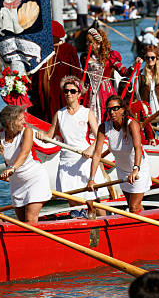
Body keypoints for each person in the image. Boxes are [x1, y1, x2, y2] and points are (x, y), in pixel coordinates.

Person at [35, 76, 106, 218]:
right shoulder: (59, 114)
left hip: (85, 159)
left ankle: (104, 221)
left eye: (72, 91)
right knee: (73, 200)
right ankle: (79, 221)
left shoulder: (86, 113)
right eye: (66, 91)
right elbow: (49, 137)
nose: (68, 94)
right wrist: (41, 136)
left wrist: (90, 150)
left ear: (79, 94)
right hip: (67, 161)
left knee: (93, 199)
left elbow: (99, 136)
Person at [0, 105, 51, 224]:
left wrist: (13, 168)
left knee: (30, 220)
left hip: (35, 178)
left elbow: (25, 152)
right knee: (21, 222)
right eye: (20, 119)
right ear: (9, 122)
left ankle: (30, 242)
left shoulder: (27, 131)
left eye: (24, 118)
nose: (24, 121)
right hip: (16, 183)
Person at [88, 95, 151, 213]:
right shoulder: (104, 127)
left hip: (139, 169)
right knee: (134, 206)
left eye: (115, 108)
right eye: (109, 109)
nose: (112, 112)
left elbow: (138, 148)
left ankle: (140, 229)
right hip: (122, 170)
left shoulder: (132, 124)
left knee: (133, 208)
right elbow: (97, 154)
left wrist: (136, 169)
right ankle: (145, 225)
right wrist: (91, 178)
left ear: (122, 109)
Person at [29, 20, 81, 122]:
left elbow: (75, 73)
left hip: (62, 92)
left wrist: (73, 90)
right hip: (43, 93)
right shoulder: (41, 50)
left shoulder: (68, 49)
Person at [82, 28, 137, 122]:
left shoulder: (109, 56)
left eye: (90, 42)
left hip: (105, 90)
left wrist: (134, 66)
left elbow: (124, 72)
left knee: (107, 113)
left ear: (98, 43)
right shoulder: (84, 57)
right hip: (90, 90)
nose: (88, 44)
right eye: (87, 42)